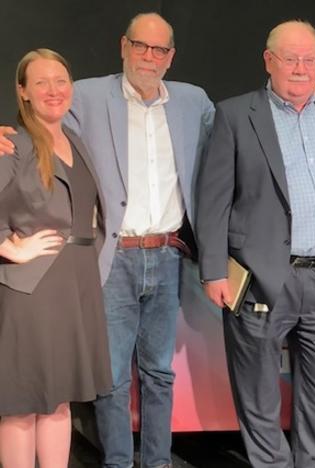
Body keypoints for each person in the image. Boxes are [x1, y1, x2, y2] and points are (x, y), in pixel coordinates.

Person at [0, 12, 214, 468]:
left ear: (171, 57)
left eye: (159, 49)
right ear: (123, 46)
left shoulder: (193, 101)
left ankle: (156, 463)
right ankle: (117, 462)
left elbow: (231, 135)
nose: (149, 57)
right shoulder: (88, 95)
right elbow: (31, 126)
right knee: (110, 378)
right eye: (141, 46)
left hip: (166, 254)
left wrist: (308, 96)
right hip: (111, 259)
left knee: (157, 374)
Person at [196, 19, 315, 468]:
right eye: (291, 59)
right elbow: (211, 198)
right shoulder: (234, 114)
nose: (301, 68)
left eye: (310, 60)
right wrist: (213, 270)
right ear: (268, 60)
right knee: (257, 391)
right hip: (259, 276)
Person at [0, 49, 112, 468]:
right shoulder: (13, 144)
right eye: (41, 82)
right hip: (33, 290)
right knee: (22, 403)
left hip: (76, 285)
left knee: (58, 399)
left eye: (61, 80)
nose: (53, 90)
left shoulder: (75, 141)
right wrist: (9, 246)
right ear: (23, 91)